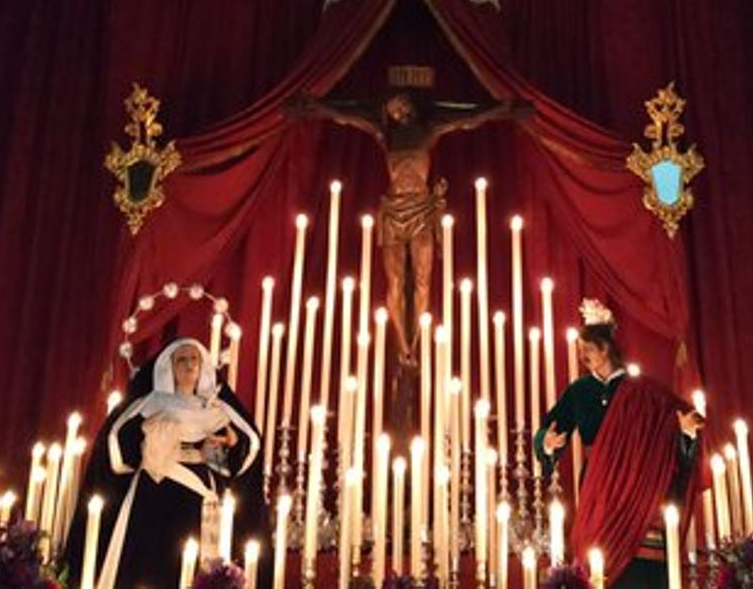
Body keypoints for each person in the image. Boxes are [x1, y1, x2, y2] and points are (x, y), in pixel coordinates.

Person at [286, 83, 530, 444]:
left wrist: (500, 110)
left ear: (411, 106)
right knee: (396, 284)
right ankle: (404, 346)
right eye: (392, 107)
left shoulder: (429, 131)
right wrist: (317, 107)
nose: (397, 109)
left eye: (401, 104)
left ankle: (414, 342)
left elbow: (466, 120)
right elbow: (349, 116)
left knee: (424, 283)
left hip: (421, 209)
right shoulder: (385, 134)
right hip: (393, 211)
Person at [63, 338, 267, 589]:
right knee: (148, 560)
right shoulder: (150, 404)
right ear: (168, 368)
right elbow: (116, 447)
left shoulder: (217, 410)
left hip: (199, 495)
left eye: (194, 359)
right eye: (181, 360)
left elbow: (241, 453)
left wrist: (226, 447)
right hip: (153, 493)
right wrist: (152, 438)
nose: (189, 365)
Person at [534, 300, 704, 588]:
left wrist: (684, 431)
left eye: (588, 347)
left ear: (605, 348)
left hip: (639, 489)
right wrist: (547, 442)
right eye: (580, 349)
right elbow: (548, 430)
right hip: (599, 490)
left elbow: (673, 419)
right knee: (597, 564)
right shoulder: (579, 391)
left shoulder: (641, 391)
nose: (582, 354)